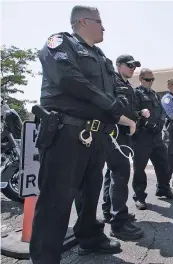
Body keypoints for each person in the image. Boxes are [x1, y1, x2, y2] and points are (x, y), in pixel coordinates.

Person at [30, 5, 136, 263]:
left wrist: (119, 103)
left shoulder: (101, 57)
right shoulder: (59, 42)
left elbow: (118, 90)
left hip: (97, 135)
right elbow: (69, 78)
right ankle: (46, 258)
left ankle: (90, 238)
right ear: (84, 22)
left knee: (90, 192)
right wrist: (110, 105)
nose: (104, 28)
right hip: (67, 132)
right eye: (100, 22)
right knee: (57, 199)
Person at [101, 54, 144, 240]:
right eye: (129, 65)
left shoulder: (127, 86)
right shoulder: (112, 81)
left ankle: (110, 213)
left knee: (112, 174)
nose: (133, 68)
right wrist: (130, 122)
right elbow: (111, 108)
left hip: (124, 133)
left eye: (135, 66)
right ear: (119, 65)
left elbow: (127, 109)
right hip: (115, 132)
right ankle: (119, 224)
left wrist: (139, 113)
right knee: (120, 175)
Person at [132, 69, 173, 210]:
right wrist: (144, 124)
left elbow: (162, 113)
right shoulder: (135, 93)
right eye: (147, 80)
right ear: (140, 78)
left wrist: (160, 124)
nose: (150, 82)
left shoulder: (154, 94)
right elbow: (133, 112)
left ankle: (163, 188)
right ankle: (139, 197)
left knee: (163, 163)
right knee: (139, 167)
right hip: (142, 136)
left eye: (152, 80)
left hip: (156, 136)